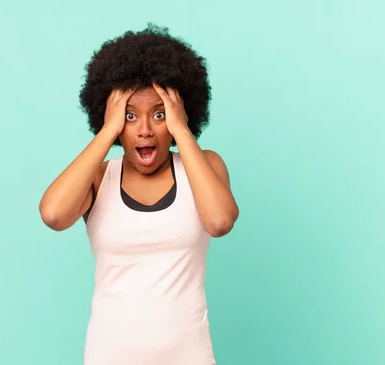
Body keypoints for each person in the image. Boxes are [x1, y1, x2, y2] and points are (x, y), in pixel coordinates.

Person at [39, 23, 239, 365]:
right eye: (130, 116)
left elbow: (219, 221)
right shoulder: (100, 178)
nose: (145, 129)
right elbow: (54, 215)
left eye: (159, 114)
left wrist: (182, 129)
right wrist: (107, 131)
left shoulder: (204, 166)